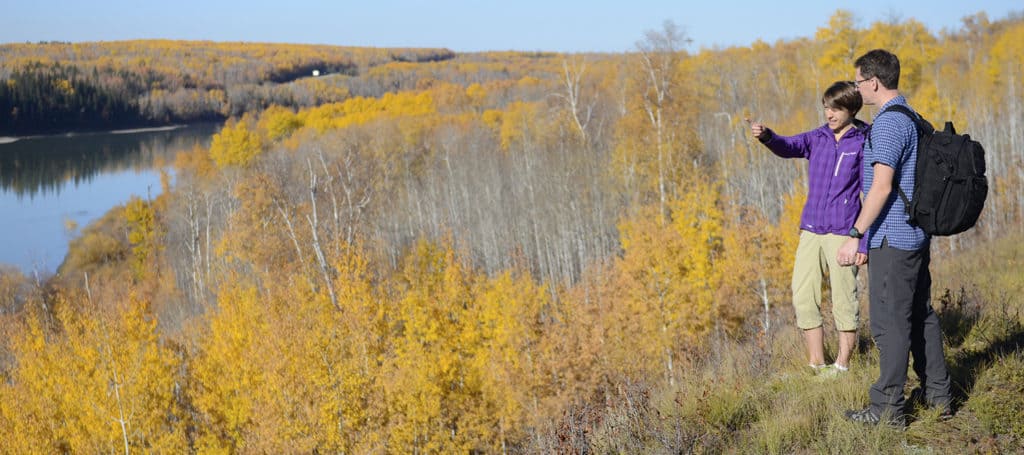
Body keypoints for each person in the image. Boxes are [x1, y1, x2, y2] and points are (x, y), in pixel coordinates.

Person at [838, 49, 952, 426]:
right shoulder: (911, 116)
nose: (856, 88)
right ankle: (938, 396)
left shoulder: (888, 124)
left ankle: (887, 409)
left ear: (872, 81)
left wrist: (856, 233)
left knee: (891, 322)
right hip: (914, 235)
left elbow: (882, 187)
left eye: (858, 81)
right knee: (922, 314)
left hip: (894, 237)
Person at [748, 80, 869, 375]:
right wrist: (767, 136)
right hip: (811, 230)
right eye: (826, 107)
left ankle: (841, 367)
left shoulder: (865, 141)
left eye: (836, 108)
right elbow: (788, 146)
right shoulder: (818, 138)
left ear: (852, 109)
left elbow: (873, 192)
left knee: (843, 298)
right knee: (803, 295)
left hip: (844, 232)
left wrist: (862, 242)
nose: (829, 113)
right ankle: (816, 365)